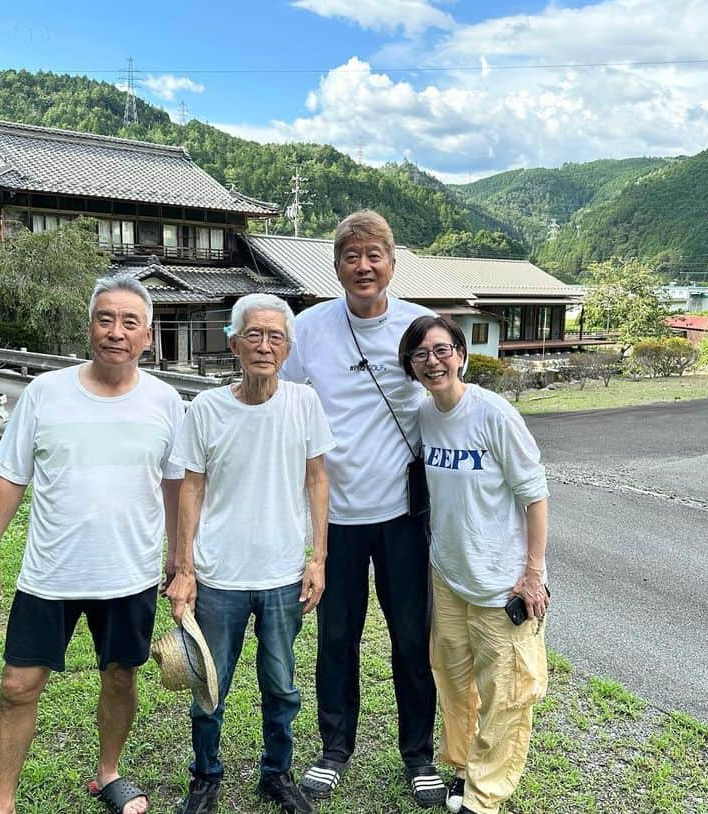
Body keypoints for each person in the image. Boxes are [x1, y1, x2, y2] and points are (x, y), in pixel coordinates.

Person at [0, 273, 184, 814]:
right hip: (50, 574)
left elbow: (177, 485)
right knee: (18, 685)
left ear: (148, 335)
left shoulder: (165, 401)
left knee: (120, 675)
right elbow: (11, 477)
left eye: (129, 322)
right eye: (105, 319)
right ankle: (3, 804)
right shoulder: (45, 393)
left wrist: (182, 560)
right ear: (89, 327)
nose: (116, 331)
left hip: (129, 572)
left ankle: (109, 772)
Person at [281, 210, 447, 807]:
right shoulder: (309, 328)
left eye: (374, 255)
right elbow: (285, 402)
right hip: (336, 516)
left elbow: (451, 393)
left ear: (392, 263)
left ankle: (419, 753)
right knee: (337, 635)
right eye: (352, 257)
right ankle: (333, 748)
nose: (364, 267)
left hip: (405, 514)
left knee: (411, 635)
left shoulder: (418, 327)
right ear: (336, 267)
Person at [166, 293, 334, 814]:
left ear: (288, 347)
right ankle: (205, 776)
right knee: (208, 684)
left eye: (276, 336)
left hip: (283, 572)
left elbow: (317, 479)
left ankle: (276, 774)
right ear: (233, 342)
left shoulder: (304, 402)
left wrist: (318, 558)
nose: (265, 345)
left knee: (281, 685)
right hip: (219, 575)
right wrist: (184, 568)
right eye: (254, 335)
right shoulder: (207, 409)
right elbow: (190, 487)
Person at [398, 315, 550, 814]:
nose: (432, 361)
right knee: (453, 679)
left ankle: (484, 797)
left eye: (441, 350)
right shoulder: (425, 414)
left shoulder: (493, 414)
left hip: (501, 582)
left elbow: (534, 493)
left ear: (460, 355)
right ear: (411, 367)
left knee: (505, 691)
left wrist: (533, 571)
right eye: (420, 355)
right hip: (449, 575)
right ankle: (463, 766)